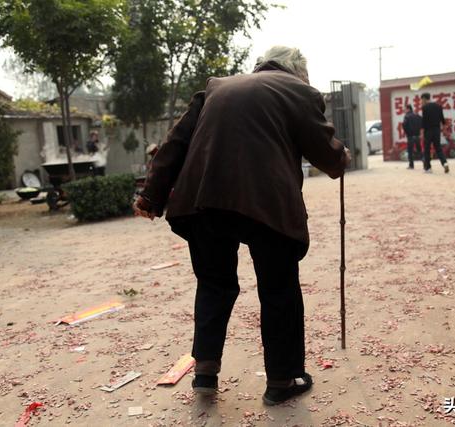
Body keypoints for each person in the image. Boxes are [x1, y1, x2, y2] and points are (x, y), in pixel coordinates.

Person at [133, 46, 351, 406]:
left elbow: (175, 143)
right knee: (278, 285)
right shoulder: (298, 91)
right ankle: (282, 379)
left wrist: (150, 198)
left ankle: (204, 371)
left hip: (201, 198)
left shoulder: (217, 87)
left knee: (214, 283)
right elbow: (327, 154)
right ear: (299, 71)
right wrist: (340, 157)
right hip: (264, 200)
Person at [420, 93, 449, 173]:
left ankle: (428, 168)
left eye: (421, 100)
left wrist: (422, 132)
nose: (421, 102)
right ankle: (445, 163)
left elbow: (424, 121)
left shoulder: (425, 108)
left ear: (425, 99)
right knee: (438, 148)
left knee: (427, 149)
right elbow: (442, 119)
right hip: (436, 130)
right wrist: (444, 129)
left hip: (428, 131)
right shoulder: (438, 106)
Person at [402, 105, 422, 169]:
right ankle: (426, 163)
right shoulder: (417, 115)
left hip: (410, 136)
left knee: (410, 151)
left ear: (408, 109)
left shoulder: (407, 116)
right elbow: (421, 123)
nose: (404, 110)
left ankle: (411, 165)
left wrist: (408, 133)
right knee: (419, 150)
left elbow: (404, 125)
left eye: (405, 109)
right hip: (417, 136)